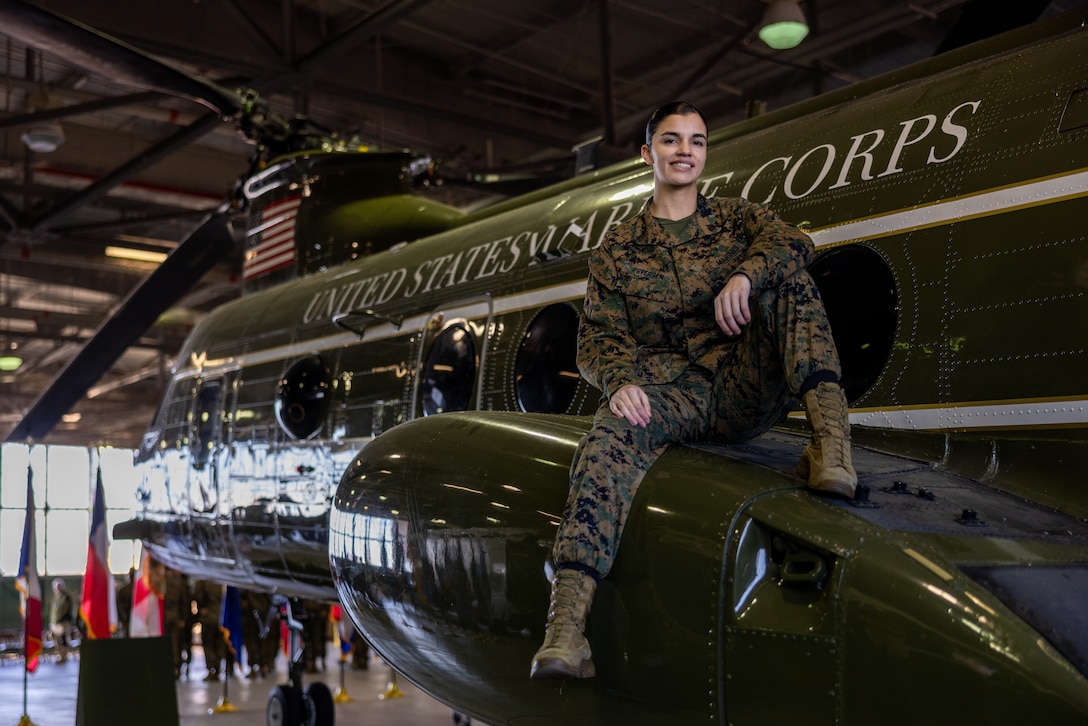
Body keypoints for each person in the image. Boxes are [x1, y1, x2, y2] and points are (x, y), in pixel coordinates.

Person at [529, 102, 856, 680]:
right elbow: (598, 338)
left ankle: (832, 448)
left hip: (738, 386)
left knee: (788, 280)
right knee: (605, 440)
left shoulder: (737, 220)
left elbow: (797, 243)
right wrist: (620, 381)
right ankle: (566, 630)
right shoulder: (619, 248)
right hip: (666, 398)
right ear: (647, 153)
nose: (686, 151)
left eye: (698, 142)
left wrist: (745, 275)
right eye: (673, 140)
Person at [50, 578, 76, 663]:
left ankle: (64, 656)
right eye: (56, 587)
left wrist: (66, 619)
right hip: (55, 622)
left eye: (59, 586)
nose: (57, 589)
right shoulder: (56, 597)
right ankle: (59, 655)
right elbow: (53, 610)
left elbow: (68, 609)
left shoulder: (67, 597)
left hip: (63, 622)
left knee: (63, 639)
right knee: (56, 639)